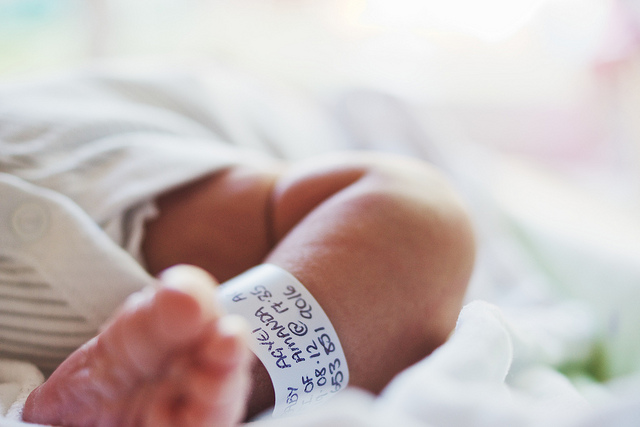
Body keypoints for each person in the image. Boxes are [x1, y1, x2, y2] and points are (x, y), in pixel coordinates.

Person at [0, 69, 475, 426]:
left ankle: (223, 370)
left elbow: (407, 207)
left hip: (242, 126)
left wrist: (223, 367)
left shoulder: (99, 204)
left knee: (416, 221)